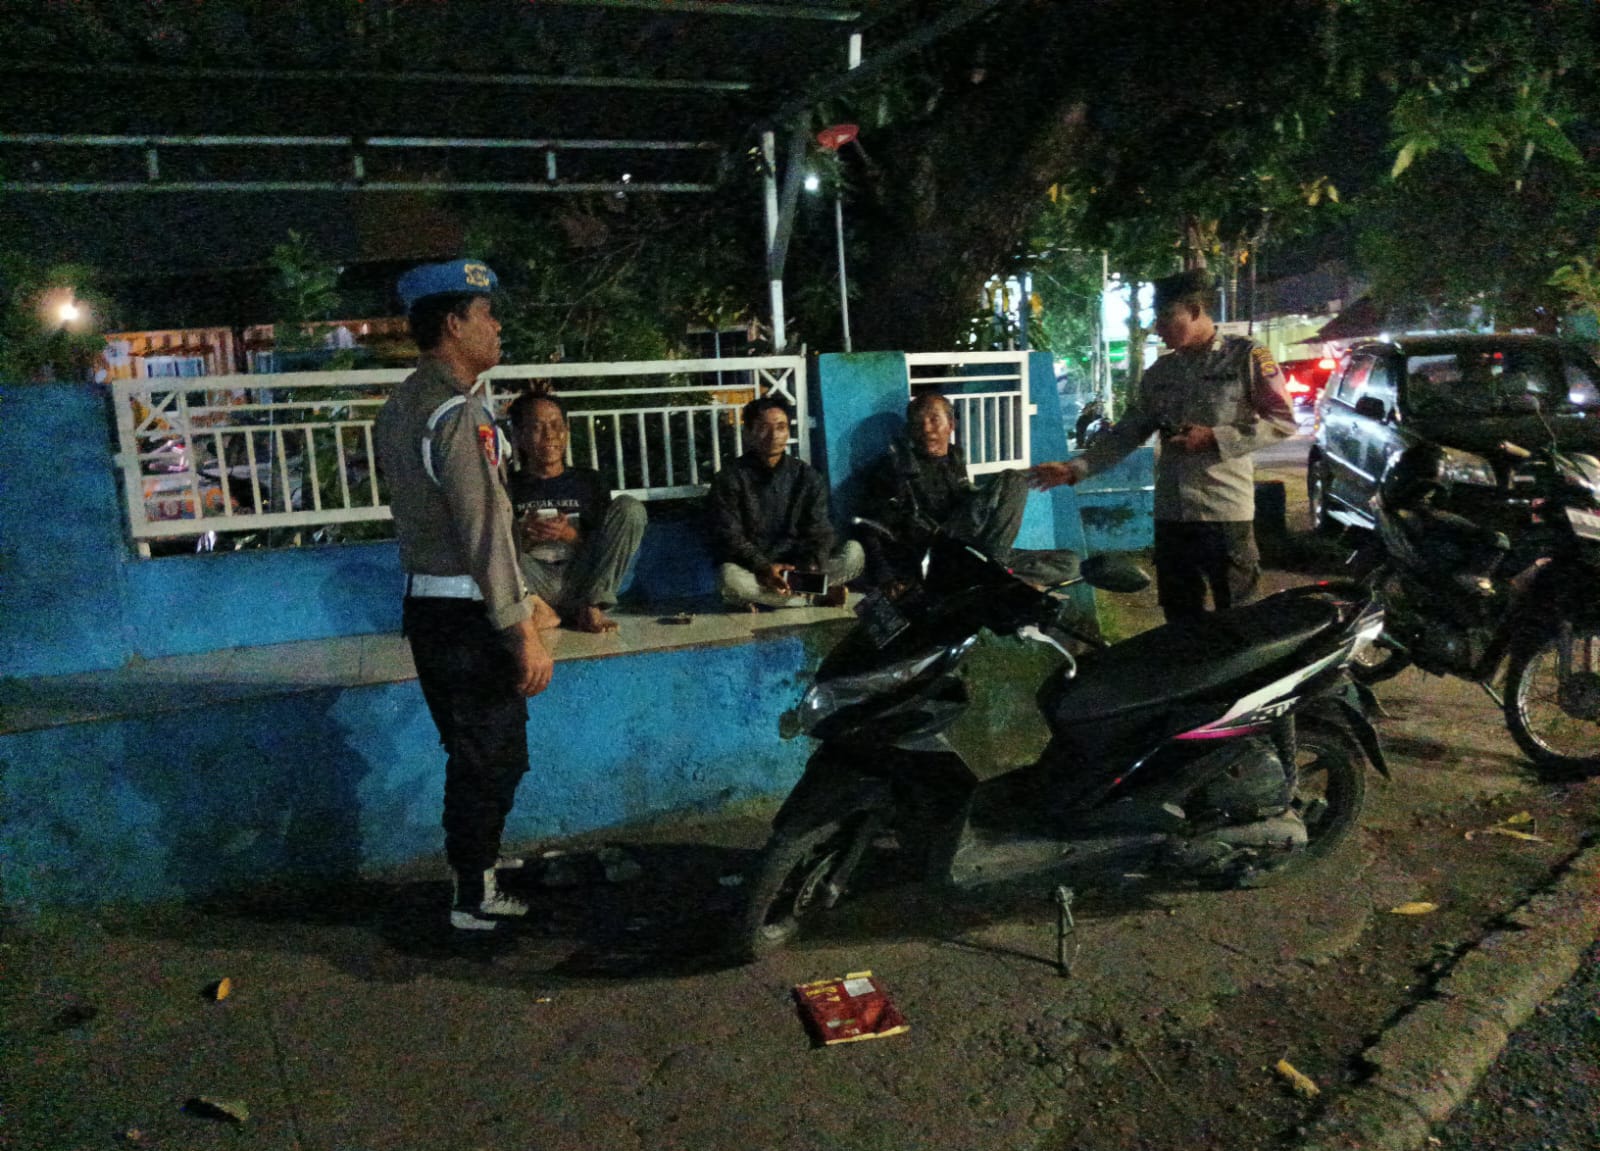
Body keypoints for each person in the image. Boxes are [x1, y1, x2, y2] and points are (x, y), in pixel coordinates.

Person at [373, 258, 553, 933]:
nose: (496, 326)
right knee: (493, 755)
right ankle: (472, 892)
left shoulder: (404, 405)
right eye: (486, 315)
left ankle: (477, 869)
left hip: (431, 609)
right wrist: (520, 628)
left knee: (476, 749)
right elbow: (483, 533)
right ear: (454, 323)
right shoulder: (455, 413)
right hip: (467, 614)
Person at [1029, 269, 1297, 622]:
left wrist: (1214, 437)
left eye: (1166, 317)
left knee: (1238, 616)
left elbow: (1282, 421)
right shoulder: (1160, 373)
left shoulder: (1245, 356)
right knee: (1178, 617)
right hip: (1172, 514)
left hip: (1224, 511)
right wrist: (1073, 469)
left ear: (1195, 311)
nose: (1158, 328)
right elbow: (1127, 434)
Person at [863, 391, 1078, 589]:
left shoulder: (955, 457)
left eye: (933, 420)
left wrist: (988, 498)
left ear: (951, 425)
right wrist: (886, 577)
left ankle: (991, 572)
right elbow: (871, 525)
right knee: (1012, 479)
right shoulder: (899, 468)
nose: (926, 429)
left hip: (975, 551)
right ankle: (995, 569)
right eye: (918, 423)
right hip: (940, 551)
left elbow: (967, 503)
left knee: (1070, 563)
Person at [507, 389, 647, 634]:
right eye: (537, 427)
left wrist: (568, 534)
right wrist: (524, 535)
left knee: (630, 508)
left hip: (581, 580)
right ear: (519, 435)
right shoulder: (508, 486)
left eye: (556, 425)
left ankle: (593, 606)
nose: (549, 435)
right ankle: (539, 610)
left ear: (566, 430)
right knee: (489, 539)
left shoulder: (589, 481)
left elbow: (604, 546)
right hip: (532, 582)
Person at [706, 394, 864, 609]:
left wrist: (810, 566)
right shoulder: (729, 477)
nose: (773, 435)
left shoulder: (806, 476)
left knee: (854, 553)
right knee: (729, 579)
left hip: (799, 566)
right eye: (763, 428)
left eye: (781, 427)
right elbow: (729, 535)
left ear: (788, 432)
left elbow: (819, 530)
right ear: (748, 433)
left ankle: (787, 594)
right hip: (756, 569)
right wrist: (763, 566)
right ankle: (813, 594)